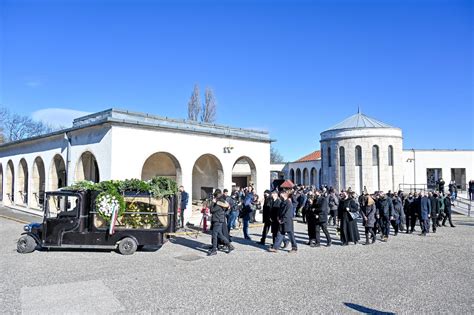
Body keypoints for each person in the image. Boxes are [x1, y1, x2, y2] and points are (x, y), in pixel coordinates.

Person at [207, 189, 234, 256]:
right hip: (219, 219)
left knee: (214, 235)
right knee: (220, 235)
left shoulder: (219, 203)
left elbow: (212, 210)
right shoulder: (222, 202)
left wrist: (213, 203)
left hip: (217, 220)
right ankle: (230, 245)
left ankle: (214, 250)